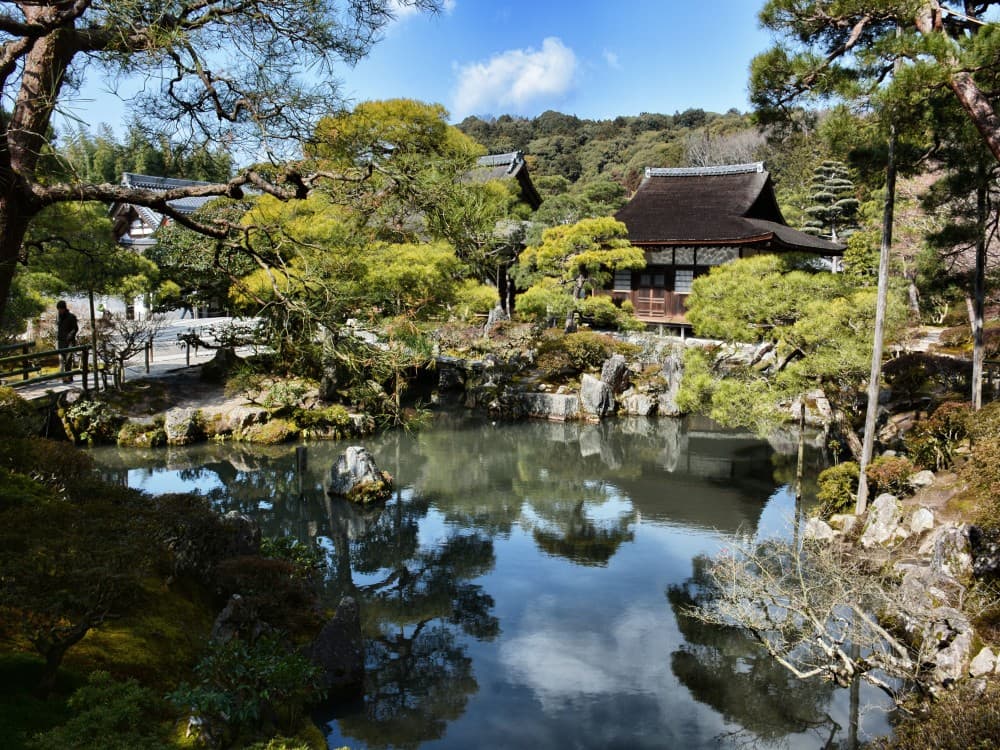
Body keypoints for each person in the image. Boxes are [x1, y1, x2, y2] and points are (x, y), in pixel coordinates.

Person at [55, 300, 79, 382]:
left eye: (60, 309)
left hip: (69, 342)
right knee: (61, 360)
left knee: (68, 360)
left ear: (64, 308)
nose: (59, 311)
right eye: (58, 309)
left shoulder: (71, 317)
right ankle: (63, 377)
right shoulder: (58, 317)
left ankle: (69, 377)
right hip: (60, 341)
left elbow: (75, 328)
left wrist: (70, 334)